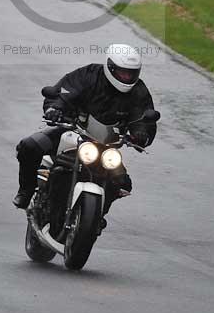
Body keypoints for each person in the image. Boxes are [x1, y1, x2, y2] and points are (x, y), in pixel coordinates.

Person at [13, 44, 159, 222]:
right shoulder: (88, 75)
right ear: (110, 67)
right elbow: (63, 92)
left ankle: (97, 216)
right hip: (72, 131)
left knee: (122, 182)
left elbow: (144, 117)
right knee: (30, 146)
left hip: (106, 145)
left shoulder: (138, 91)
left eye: (130, 73)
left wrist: (141, 134)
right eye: (122, 72)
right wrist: (55, 108)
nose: (126, 77)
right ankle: (26, 191)